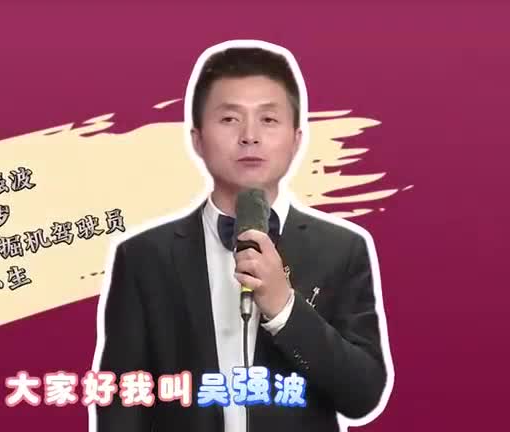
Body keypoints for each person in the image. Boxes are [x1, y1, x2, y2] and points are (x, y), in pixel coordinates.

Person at [92, 42, 391, 432]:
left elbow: (363, 396)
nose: (250, 136)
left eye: (268, 119)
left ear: (296, 138)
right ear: (197, 138)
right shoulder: (143, 257)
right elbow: (122, 402)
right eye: (230, 119)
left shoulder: (342, 250)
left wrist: (284, 309)